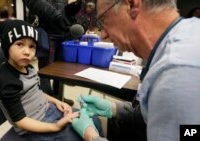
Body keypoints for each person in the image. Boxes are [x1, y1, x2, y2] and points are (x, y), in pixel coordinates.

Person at [71, 0, 200, 141]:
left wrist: (92, 137)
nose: (103, 35)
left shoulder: (175, 74)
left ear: (132, 5)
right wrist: (112, 108)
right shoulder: (190, 33)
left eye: (103, 20)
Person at [0, 20, 103, 141]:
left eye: (32, 46)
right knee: (75, 137)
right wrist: (55, 126)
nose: (27, 52)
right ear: (7, 46)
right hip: (33, 126)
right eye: (20, 44)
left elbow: (38, 92)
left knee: (94, 120)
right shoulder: (7, 80)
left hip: (49, 110)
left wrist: (58, 102)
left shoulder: (28, 68)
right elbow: (20, 121)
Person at [24, 0, 82, 106]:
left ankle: (58, 97)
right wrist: (55, 15)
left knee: (61, 70)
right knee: (45, 70)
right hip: (47, 30)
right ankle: (47, 100)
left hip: (64, 30)